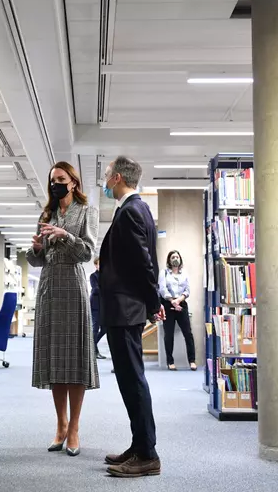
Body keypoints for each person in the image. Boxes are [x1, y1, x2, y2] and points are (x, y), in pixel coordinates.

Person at [26, 161, 99, 457]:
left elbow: (87, 253)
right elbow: (37, 259)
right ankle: (61, 424)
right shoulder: (46, 214)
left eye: (60, 179)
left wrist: (65, 236)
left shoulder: (87, 212)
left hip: (73, 283)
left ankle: (75, 428)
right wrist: (36, 249)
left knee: (75, 360)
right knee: (56, 359)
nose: (56, 184)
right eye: (52, 180)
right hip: (49, 286)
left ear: (73, 182)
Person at [98, 156, 163, 478]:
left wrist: (153, 302)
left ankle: (147, 454)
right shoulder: (137, 209)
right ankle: (139, 446)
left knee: (133, 381)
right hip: (126, 307)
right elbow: (145, 260)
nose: (105, 179)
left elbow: (144, 263)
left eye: (108, 174)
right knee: (129, 380)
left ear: (118, 178)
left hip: (125, 309)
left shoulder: (131, 211)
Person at [158, 250, 196, 371]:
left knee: (188, 333)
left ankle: (192, 361)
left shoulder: (184, 273)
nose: (175, 259)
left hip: (181, 304)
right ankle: (170, 362)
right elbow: (162, 289)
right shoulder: (163, 273)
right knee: (169, 334)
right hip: (168, 305)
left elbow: (187, 290)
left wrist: (178, 300)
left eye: (177, 257)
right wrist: (172, 301)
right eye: (173, 257)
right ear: (169, 260)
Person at [89, 257, 106, 360]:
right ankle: (94, 351)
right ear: (96, 265)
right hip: (96, 305)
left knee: (105, 329)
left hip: (104, 305)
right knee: (95, 328)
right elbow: (95, 289)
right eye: (99, 264)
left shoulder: (107, 276)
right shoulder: (93, 276)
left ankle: (92, 346)